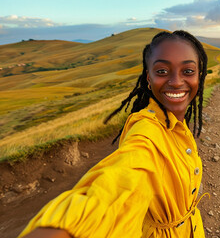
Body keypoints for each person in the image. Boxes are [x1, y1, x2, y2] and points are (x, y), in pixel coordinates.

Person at [18, 30, 208, 238]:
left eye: (188, 71)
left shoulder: (176, 125)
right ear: (148, 77)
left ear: (200, 74)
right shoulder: (146, 132)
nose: (176, 81)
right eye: (162, 71)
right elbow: (121, 180)